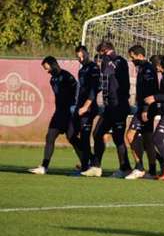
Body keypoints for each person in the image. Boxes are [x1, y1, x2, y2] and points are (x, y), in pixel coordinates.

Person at [82, 41, 132, 177]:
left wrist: (103, 60)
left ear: (105, 51)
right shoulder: (112, 60)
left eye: (101, 54)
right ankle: (96, 167)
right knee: (98, 133)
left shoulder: (117, 61)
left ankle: (125, 168)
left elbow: (105, 71)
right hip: (110, 106)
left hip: (119, 105)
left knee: (118, 138)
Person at [29, 57, 80, 175]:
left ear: (53, 65)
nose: (47, 71)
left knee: (73, 139)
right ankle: (44, 167)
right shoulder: (52, 80)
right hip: (59, 113)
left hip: (69, 113)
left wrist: (75, 107)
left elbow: (77, 90)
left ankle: (87, 163)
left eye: (47, 68)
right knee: (50, 137)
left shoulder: (66, 76)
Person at [124, 45, 159, 180]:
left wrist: (145, 109)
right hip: (143, 108)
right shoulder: (143, 68)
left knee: (130, 135)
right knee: (147, 140)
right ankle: (152, 170)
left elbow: (150, 90)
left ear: (139, 55)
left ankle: (140, 168)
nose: (132, 60)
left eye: (133, 58)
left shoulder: (148, 69)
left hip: (147, 109)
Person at [69, 45, 101, 174]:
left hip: (89, 108)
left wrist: (86, 106)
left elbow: (94, 89)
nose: (80, 59)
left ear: (87, 54)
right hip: (79, 107)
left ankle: (85, 167)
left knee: (85, 136)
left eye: (82, 56)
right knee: (71, 134)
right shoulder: (82, 70)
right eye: (78, 57)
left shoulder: (94, 68)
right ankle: (92, 159)